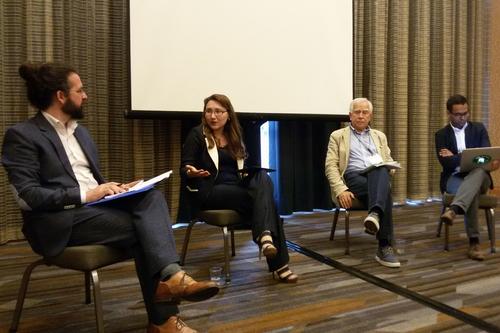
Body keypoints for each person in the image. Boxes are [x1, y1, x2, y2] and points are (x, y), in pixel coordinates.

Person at [2, 62, 219, 333]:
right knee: (146, 232)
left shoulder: (81, 133)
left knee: (151, 197)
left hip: (94, 210)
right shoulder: (22, 135)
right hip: (57, 221)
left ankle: (171, 285)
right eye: (80, 90)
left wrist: (113, 188)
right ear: (61, 96)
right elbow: (28, 197)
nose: (86, 96)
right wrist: (88, 193)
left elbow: (87, 180)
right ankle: (165, 312)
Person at [180, 93, 298, 283]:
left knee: (262, 177)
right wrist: (190, 172)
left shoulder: (234, 134)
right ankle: (277, 259)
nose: (213, 116)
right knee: (268, 204)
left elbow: (241, 167)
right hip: (210, 191)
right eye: (209, 111)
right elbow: (184, 167)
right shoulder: (197, 135)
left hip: (235, 188)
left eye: (218, 111)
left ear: (228, 114)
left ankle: (266, 237)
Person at [325, 97, 400, 268]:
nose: (361, 116)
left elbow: (389, 160)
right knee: (384, 190)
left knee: (380, 168)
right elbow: (330, 166)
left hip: (376, 175)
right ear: (350, 115)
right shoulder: (338, 136)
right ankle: (384, 246)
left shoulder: (379, 136)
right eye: (357, 112)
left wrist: (390, 168)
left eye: (364, 112)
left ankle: (374, 214)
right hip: (353, 177)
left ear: (370, 116)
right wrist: (340, 190)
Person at [435, 94, 499, 261]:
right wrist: (471, 157)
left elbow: (485, 157)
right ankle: (474, 243)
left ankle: (454, 210)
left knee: (477, 172)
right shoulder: (441, 135)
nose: (462, 117)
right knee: (472, 192)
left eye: (465, 113)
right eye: (458, 114)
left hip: (481, 176)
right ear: (449, 114)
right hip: (454, 177)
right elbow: (446, 164)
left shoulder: (479, 128)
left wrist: (456, 156)